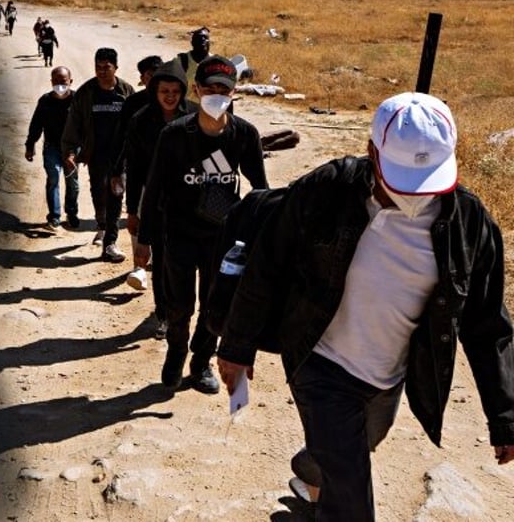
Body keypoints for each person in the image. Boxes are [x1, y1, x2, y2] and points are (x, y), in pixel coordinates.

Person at [217, 92, 514, 521]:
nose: (413, 199)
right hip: (320, 361)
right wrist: (236, 344)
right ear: (373, 152)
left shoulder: (469, 224)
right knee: (351, 500)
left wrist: (504, 416)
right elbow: (267, 262)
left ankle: (312, 465)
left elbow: (488, 324)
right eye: (401, 182)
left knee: (356, 447)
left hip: (389, 376)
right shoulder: (328, 191)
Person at [137, 55, 267, 393]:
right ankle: (176, 352)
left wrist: (258, 235)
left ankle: (200, 362)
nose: (215, 94)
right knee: (179, 305)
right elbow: (154, 189)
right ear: (195, 89)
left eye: (223, 89)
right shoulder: (175, 134)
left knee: (215, 306)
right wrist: (144, 238)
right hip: (179, 235)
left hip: (222, 239)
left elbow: (261, 190)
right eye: (208, 87)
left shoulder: (244, 135)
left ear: (234, 92)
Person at [124, 58, 189, 338]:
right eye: (165, 91)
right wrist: (132, 210)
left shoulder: (194, 117)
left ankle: (184, 311)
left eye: (175, 92)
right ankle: (163, 315)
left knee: (187, 264)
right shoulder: (141, 121)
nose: (170, 97)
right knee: (161, 262)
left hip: (191, 204)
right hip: (157, 203)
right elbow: (135, 170)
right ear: (155, 91)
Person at [62, 47, 134, 261]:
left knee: (116, 193)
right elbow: (73, 123)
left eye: (106, 67)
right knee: (98, 190)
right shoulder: (86, 93)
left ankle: (110, 241)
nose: (102, 71)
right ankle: (102, 225)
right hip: (95, 154)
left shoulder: (126, 92)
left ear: (115, 68)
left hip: (120, 155)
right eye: (98, 67)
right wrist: (69, 152)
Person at [108, 55, 162, 289]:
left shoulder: (176, 101)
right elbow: (121, 139)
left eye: (157, 76)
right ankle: (139, 268)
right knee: (136, 219)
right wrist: (116, 169)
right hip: (139, 173)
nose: (153, 81)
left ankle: (161, 267)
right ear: (142, 79)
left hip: (170, 177)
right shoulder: (133, 104)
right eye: (148, 77)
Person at [25, 66, 79, 230]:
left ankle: (71, 213)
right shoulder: (45, 101)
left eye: (63, 81)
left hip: (71, 149)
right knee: (53, 178)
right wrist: (30, 145)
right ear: (51, 82)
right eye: (55, 81)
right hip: (52, 147)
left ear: (70, 81)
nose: (59, 85)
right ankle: (54, 217)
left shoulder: (77, 100)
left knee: (72, 182)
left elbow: (86, 125)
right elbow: (36, 125)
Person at [176, 26, 211, 104]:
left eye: (205, 38)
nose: (203, 41)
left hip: (208, 108)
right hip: (186, 108)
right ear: (192, 43)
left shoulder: (215, 62)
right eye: (199, 39)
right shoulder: (182, 60)